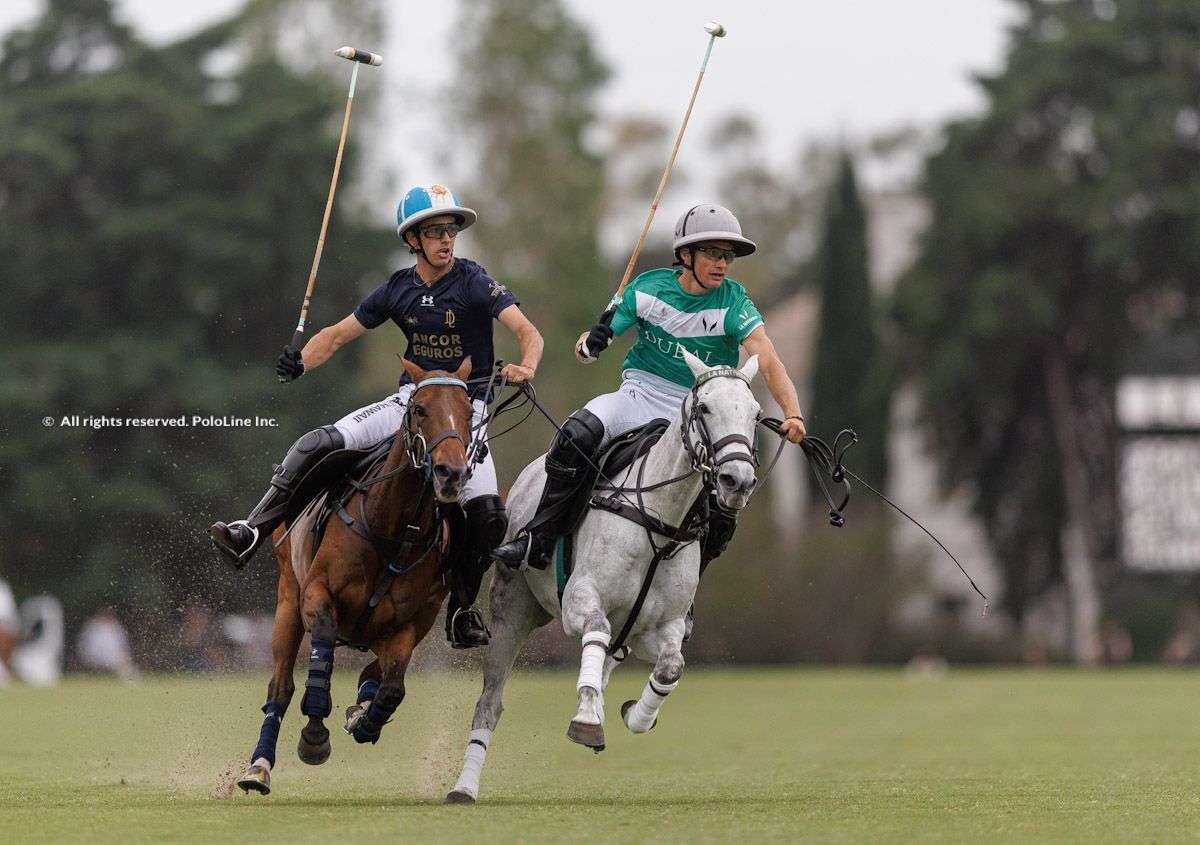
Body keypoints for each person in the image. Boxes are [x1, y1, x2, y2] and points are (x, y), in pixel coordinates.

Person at [209, 185, 544, 649]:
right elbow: (337, 335)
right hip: (413, 403)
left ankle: (462, 608)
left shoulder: (474, 281)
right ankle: (253, 528)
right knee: (319, 443)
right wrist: (302, 361)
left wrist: (526, 365)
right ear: (413, 240)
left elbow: (527, 332)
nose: (446, 240)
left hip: (468, 408)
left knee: (488, 515)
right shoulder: (397, 289)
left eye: (450, 231)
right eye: (434, 232)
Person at [494, 204, 806, 603]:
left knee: (725, 503)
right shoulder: (647, 289)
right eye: (712, 253)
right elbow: (586, 350)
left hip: (698, 413)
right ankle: (537, 539)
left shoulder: (734, 303)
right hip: (638, 396)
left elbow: (769, 359)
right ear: (686, 256)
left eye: (728, 256)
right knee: (577, 433)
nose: (722, 264)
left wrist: (792, 411)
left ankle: (686, 591)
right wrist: (592, 342)